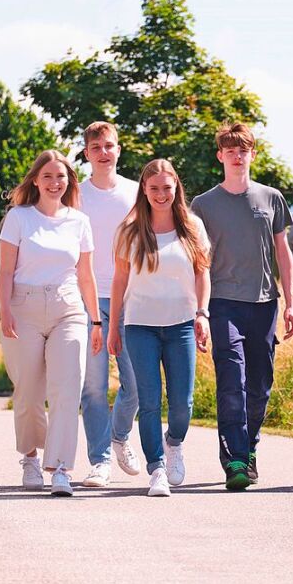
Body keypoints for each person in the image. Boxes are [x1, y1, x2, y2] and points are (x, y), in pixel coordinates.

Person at [190, 123, 293, 491]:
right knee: (232, 380)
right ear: (220, 155)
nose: (237, 156)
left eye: (243, 150)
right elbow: (197, 262)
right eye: (230, 150)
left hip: (265, 304)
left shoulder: (271, 198)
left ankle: (249, 447)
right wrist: (199, 312)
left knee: (260, 384)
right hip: (222, 304)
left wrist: (291, 305)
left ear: (253, 154)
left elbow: (283, 253)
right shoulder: (202, 205)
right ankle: (235, 459)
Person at [0, 150, 104, 497]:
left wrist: (97, 320)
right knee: (28, 391)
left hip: (68, 307)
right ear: (35, 181)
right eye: (48, 177)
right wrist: (5, 311)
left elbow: (86, 275)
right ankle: (29, 457)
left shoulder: (79, 221)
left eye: (61, 177)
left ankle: (60, 468)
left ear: (69, 181)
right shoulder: (19, 218)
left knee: (66, 389)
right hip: (23, 307)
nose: (55, 183)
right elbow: (5, 271)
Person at [108, 159, 211, 497]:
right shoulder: (129, 230)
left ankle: (174, 443)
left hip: (181, 324)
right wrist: (112, 328)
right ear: (144, 191)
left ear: (176, 188)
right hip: (140, 327)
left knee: (182, 403)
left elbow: (201, 273)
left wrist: (202, 314)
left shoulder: (192, 227)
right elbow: (120, 279)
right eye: (154, 188)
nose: (161, 194)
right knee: (149, 401)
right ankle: (157, 470)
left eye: (167, 187)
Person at [78, 122, 142, 488]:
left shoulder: (136, 194)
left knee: (137, 386)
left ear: (119, 150)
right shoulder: (76, 195)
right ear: (87, 153)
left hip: (131, 300)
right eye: (96, 146)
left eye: (110, 146)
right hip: (89, 301)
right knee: (94, 387)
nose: (104, 152)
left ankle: (119, 436)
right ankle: (99, 460)